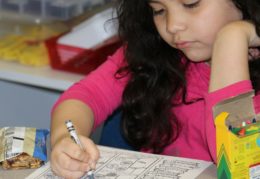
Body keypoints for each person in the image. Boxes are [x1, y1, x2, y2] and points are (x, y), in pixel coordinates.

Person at [50, 0, 260, 178]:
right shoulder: (152, 54)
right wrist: (65, 138)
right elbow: (85, 95)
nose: (172, 25)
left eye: (191, 4)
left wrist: (230, 41)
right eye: (159, 10)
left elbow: (239, 167)